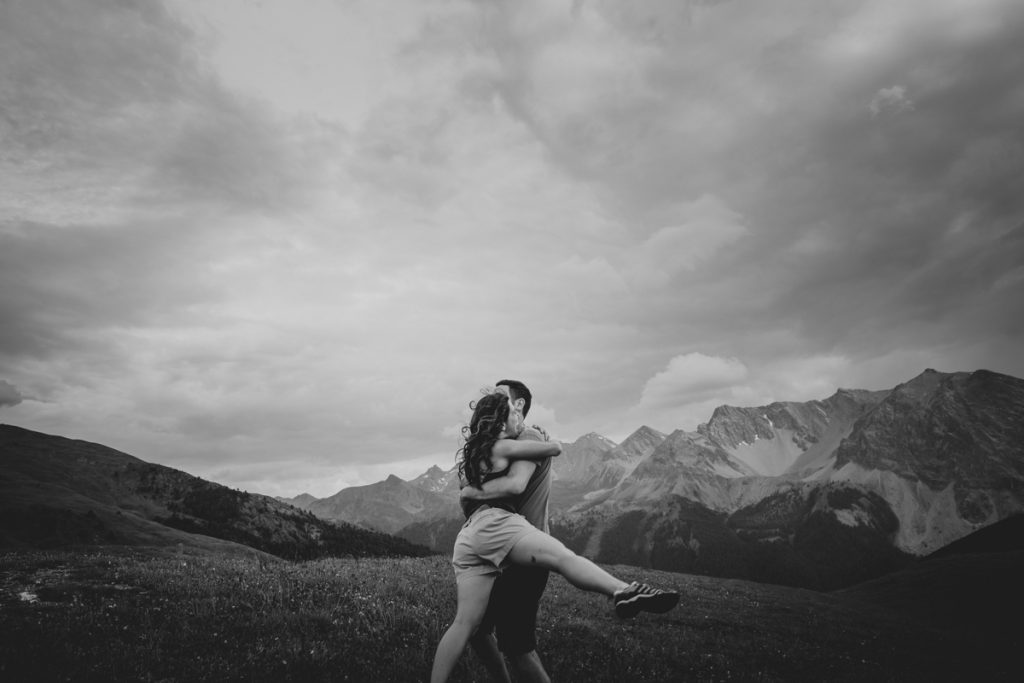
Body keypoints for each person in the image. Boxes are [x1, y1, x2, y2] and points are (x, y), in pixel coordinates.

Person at [430, 390, 679, 683]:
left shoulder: (474, 455)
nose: (518, 416)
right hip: (497, 522)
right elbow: (554, 450)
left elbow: (467, 496)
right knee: (562, 557)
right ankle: (622, 590)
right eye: (512, 412)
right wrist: (546, 440)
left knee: (464, 624)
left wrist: (473, 491)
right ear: (499, 422)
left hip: (469, 536)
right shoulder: (503, 446)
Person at [462, 379, 554, 683]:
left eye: (501, 396)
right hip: (509, 548)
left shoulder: (527, 435)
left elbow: (516, 484)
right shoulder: (512, 438)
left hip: (527, 551)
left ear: (519, 405)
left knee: (517, 646)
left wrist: (472, 493)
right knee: (477, 629)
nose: (492, 400)